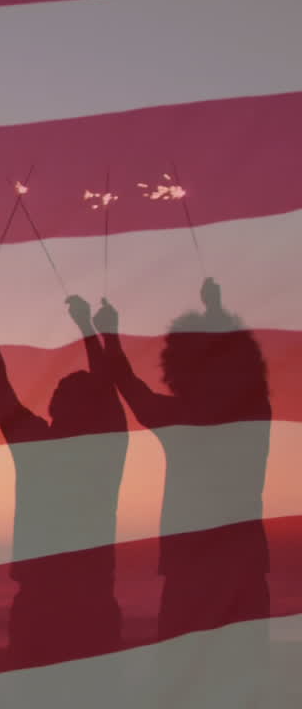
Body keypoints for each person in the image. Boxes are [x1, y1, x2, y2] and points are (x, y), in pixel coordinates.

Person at [94, 279, 271, 707]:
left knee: (184, 685)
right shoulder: (255, 414)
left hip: (193, 573)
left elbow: (129, 385)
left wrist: (108, 334)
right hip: (240, 569)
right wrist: (217, 310)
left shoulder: (182, 419)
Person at [0, 288, 128, 668]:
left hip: (46, 602)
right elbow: (105, 389)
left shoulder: (39, 445)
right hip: (86, 599)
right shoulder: (104, 451)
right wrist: (89, 329)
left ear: (54, 407)